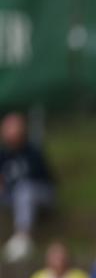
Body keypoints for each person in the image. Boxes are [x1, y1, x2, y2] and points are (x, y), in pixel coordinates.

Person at [0, 112, 56, 263]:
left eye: (13, 128)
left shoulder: (32, 152)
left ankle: (23, 238)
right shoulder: (3, 155)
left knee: (24, 189)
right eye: (6, 128)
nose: (9, 132)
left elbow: (42, 178)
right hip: (12, 196)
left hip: (42, 194)